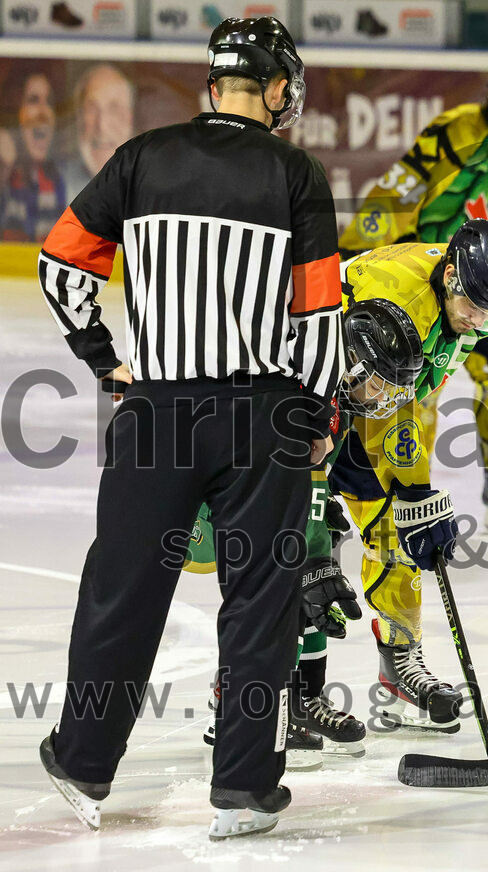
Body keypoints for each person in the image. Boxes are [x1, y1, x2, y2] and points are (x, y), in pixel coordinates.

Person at [37, 17, 342, 840]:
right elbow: (317, 316)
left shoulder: (141, 157)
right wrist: (316, 414)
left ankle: (83, 761)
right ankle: (243, 789)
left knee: (124, 591)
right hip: (263, 418)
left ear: (214, 84)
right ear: (275, 88)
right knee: (260, 604)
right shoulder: (296, 173)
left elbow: (61, 264)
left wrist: (106, 360)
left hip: (159, 413)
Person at [340, 48, 488, 532]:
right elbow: (398, 190)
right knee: (415, 384)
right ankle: (411, 482)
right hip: (434, 282)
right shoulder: (455, 131)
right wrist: (358, 246)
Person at [188, 299, 425, 768]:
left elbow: (323, 472)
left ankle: (300, 698)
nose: (383, 399)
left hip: (243, 493)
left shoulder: (334, 396)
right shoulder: (303, 393)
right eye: (380, 383)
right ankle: (238, 704)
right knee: (285, 577)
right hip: (203, 509)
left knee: (314, 568)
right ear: (353, 365)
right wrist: (310, 535)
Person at [331, 219, 488, 732]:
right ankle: (263, 687)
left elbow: (406, 398)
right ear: (449, 277)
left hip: (371, 395)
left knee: (395, 527)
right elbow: (384, 401)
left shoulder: (477, 301)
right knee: (297, 540)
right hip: (308, 394)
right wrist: (411, 486)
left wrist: (414, 495)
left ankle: (399, 663)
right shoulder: (404, 299)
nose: (480, 320)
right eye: (474, 307)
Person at [0, 70, 66, 240]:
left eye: (49, 102)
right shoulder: (6, 171)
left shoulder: (59, 177)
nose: (43, 111)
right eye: (33, 100)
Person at [63, 63, 135, 202]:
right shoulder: (58, 187)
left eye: (114, 108)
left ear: (130, 119)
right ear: (79, 118)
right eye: (91, 109)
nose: (102, 126)